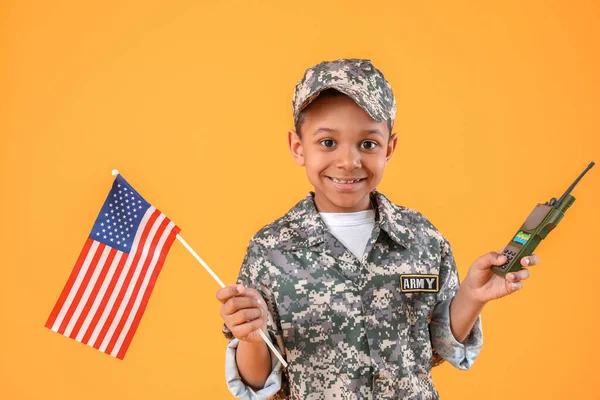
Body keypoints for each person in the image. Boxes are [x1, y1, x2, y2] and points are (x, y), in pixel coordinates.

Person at [216, 58, 537, 399]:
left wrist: (472, 296)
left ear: (389, 148)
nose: (348, 161)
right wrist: (251, 337)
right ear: (298, 147)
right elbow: (258, 384)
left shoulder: (421, 239)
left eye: (367, 144)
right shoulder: (271, 251)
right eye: (327, 142)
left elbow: (441, 345)